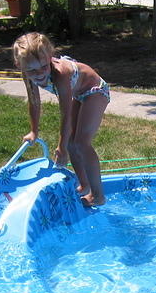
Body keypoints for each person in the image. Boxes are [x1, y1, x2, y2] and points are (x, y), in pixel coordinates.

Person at [13, 32, 110, 206]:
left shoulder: (60, 74)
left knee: (80, 143)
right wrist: (34, 131)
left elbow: (65, 112)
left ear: (50, 58)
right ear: (20, 65)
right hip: (79, 94)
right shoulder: (27, 75)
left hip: (95, 91)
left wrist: (61, 146)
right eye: (32, 70)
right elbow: (34, 101)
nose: (40, 73)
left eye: (44, 66)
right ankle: (84, 185)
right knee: (72, 144)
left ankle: (98, 196)